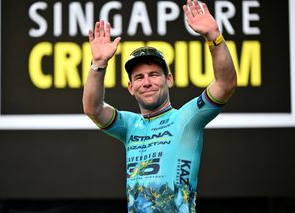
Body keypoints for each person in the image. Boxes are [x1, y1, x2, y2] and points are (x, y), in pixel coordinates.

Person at [83, 0, 237, 212]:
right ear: (130, 86)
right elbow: (93, 109)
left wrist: (214, 37)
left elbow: (225, 84)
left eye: (154, 74)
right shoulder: (129, 126)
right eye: (139, 77)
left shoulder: (186, 118)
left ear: (169, 79)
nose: (146, 82)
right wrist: (98, 64)